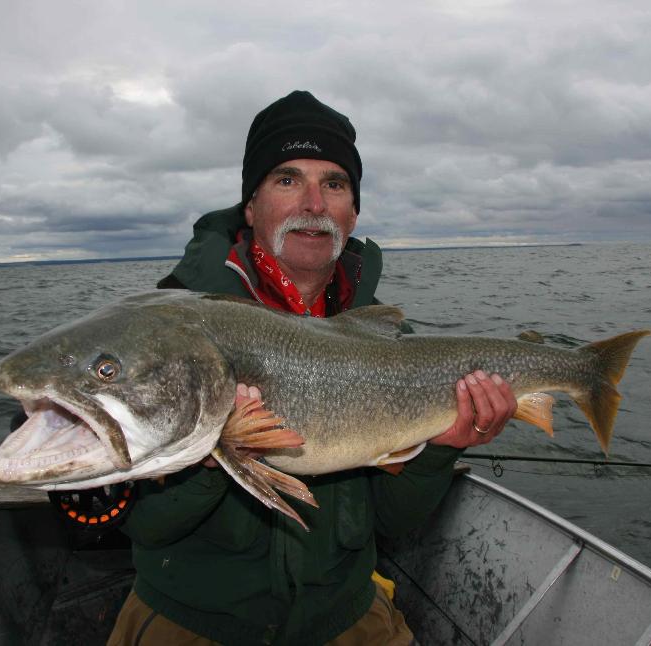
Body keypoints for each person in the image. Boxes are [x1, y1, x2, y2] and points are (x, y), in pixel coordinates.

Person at [107, 90, 516, 646]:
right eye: (287, 179)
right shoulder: (168, 333)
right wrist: (206, 455)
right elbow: (146, 525)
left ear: (353, 212)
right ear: (250, 207)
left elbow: (391, 523)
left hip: (346, 616)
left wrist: (441, 449)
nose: (313, 203)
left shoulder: (390, 346)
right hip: (187, 622)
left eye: (334, 184)